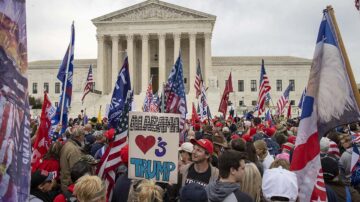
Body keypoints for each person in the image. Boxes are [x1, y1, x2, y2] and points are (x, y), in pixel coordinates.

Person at [60, 127, 86, 192]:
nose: (84, 137)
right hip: (71, 186)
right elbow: (77, 172)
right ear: (79, 136)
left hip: (66, 182)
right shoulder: (74, 150)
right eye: (84, 135)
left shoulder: (68, 144)